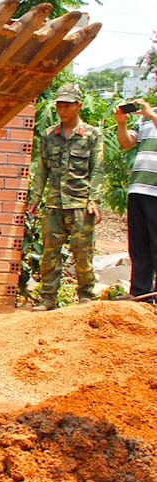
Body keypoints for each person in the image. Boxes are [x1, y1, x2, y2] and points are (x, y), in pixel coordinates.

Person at [27, 83, 104, 311]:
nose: (62, 109)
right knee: (50, 254)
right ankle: (48, 299)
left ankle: (85, 298)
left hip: (81, 203)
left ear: (78, 106)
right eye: (60, 104)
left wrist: (94, 201)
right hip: (54, 204)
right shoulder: (49, 135)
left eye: (68, 105)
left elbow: (97, 169)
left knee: (83, 254)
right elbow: (42, 169)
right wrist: (34, 198)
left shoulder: (92, 135)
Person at [116, 98, 157, 302]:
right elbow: (126, 143)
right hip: (139, 187)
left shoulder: (151, 115)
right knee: (139, 244)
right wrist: (121, 123)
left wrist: (151, 115)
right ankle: (140, 293)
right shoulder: (146, 118)